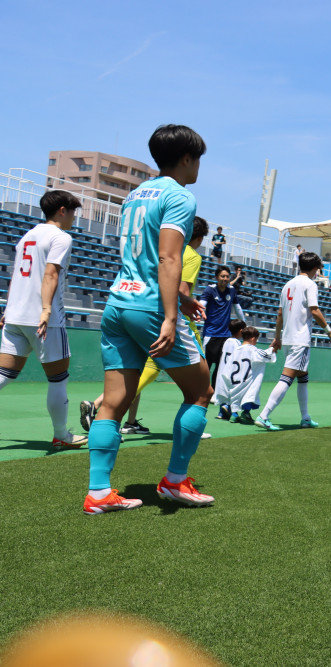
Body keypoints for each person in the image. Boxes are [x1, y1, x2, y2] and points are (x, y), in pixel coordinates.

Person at [83, 124, 213, 515]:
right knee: (200, 392)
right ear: (187, 158)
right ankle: (175, 481)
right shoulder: (180, 196)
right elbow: (169, 258)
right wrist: (171, 315)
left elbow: (141, 256)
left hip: (118, 303)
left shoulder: (135, 194)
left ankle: (99, 493)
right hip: (150, 309)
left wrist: (181, 299)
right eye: (198, 159)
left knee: (112, 403)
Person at [0, 190, 88, 449]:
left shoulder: (27, 236)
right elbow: (50, 274)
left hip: (15, 316)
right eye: (73, 212)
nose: (73, 218)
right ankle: (61, 435)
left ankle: (62, 434)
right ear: (62, 210)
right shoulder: (60, 237)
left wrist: (7, 309)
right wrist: (47, 310)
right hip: (44, 320)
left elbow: (17, 276)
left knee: (4, 375)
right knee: (58, 377)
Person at [256, 252, 331, 430]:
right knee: (286, 378)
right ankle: (264, 415)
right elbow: (314, 310)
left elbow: (279, 314)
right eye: (318, 268)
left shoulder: (287, 284)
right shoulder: (310, 284)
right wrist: (329, 331)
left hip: (288, 339)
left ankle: (305, 417)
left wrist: (277, 337)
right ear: (315, 268)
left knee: (303, 376)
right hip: (300, 339)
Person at [215, 326, 277, 424]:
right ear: (253, 338)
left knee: (235, 398)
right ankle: (246, 412)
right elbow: (266, 355)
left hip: (235, 380)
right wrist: (273, 348)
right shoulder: (253, 350)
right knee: (250, 394)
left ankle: (234, 415)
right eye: (256, 339)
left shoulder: (236, 350)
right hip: (247, 380)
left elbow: (227, 368)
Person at [199, 266, 246, 389]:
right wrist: (199, 312)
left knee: (221, 366)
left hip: (226, 336)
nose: (225, 279)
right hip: (211, 334)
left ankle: (215, 392)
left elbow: (238, 308)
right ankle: (202, 391)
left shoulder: (232, 290)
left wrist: (244, 323)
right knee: (206, 365)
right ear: (216, 277)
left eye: (227, 276)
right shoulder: (210, 290)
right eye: (222, 276)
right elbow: (202, 304)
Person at [212, 319, 247, 420]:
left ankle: (221, 413)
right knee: (232, 392)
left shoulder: (226, 341)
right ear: (241, 331)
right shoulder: (237, 343)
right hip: (232, 371)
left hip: (222, 369)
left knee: (223, 391)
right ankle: (229, 409)